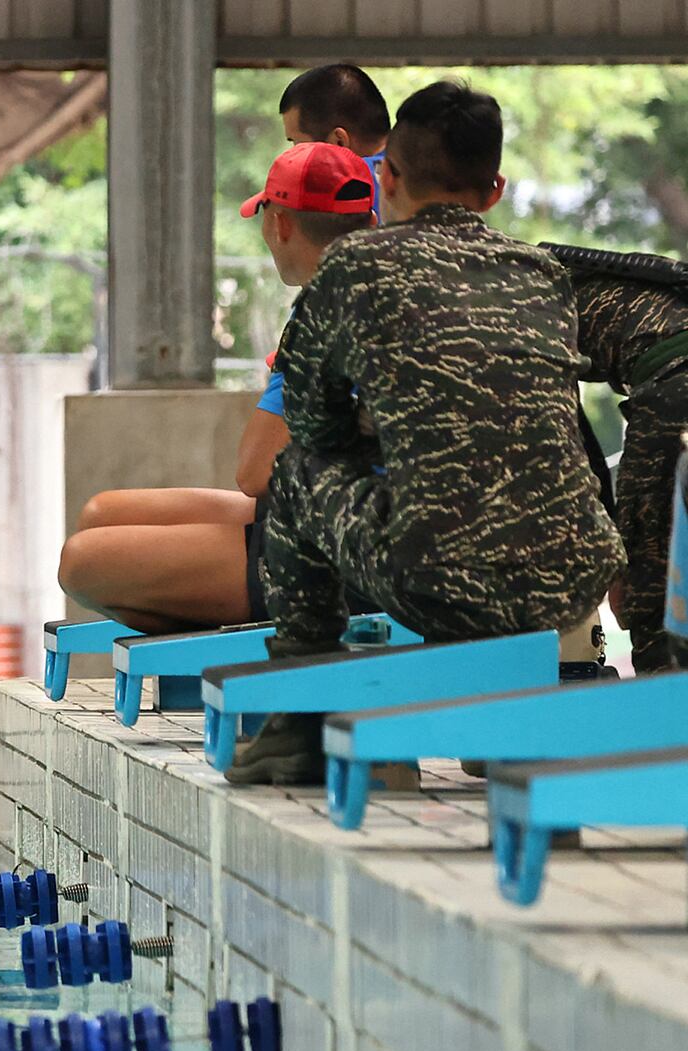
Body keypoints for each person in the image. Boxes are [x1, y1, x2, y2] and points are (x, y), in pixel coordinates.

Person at [229, 81, 624, 785]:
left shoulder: (355, 267)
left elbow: (316, 431)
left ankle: (300, 721)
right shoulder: (544, 274)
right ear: (494, 190)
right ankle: (498, 712)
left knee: (296, 475)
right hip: (571, 579)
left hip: (433, 574)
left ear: (387, 176)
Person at [57, 64, 392, 632]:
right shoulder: (397, 278)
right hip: (377, 514)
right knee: (101, 516)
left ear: (279, 225)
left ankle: (265, 627)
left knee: (82, 562)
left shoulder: (324, 311)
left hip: (344, 544)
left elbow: (254, 473)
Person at [539, 243, 688, 674]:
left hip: (675, 380)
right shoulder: (551, 276)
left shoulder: (523, 303)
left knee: (651, 586)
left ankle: (664, 696)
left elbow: (573, 440)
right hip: (672, 369)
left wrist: (618, 554)